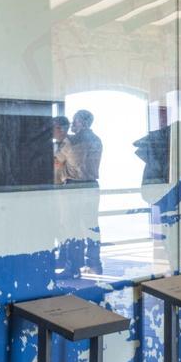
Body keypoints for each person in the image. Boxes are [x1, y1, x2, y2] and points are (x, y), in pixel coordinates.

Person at [57, 109, 104, 276]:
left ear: (82, 122)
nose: (71, 123)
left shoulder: (73, 140)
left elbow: (57, 161)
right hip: (91, 186)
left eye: (74, 121)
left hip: (74, 188)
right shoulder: (97, 140)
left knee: (72, 228)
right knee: (91, 226)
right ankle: (95, 264)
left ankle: (73, 268)